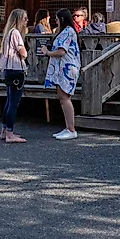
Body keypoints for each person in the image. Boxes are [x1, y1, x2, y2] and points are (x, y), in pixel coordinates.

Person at [42, 9, 81, 140]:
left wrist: (47, 52)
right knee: (62, 97)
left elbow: (61, 51)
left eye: (57, 19)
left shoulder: (68, 31)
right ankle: (68, 127)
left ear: (62, 19)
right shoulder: (66, 31)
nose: (56, 21)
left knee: (64, 98)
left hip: (67, 68)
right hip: (64, 67)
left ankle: (71, 129)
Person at [0, 9, 29, 143]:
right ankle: (10, 133)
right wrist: (24, 52)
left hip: (7, 68)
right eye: (25, 18)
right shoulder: (16, 33)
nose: (26, 21)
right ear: (18, 20)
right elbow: (23, 52)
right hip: (16, 68)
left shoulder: (8, 33)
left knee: (9, 101)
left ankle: (4, 130)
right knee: (13, 103)